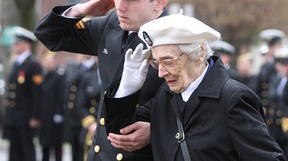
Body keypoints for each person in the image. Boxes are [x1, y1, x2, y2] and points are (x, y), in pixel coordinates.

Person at [34, 0, 183, 160]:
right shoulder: (112, 25)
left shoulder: (179, 39)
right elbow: (49, 35)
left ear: (160, 2)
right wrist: (82, 9)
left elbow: (198, 109)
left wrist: (157, 131)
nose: (120, 6)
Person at [105, 14, 286, 161]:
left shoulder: (233, 99)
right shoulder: (166, 96)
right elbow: (120, 135)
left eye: (168, 61)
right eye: (156, 62)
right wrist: (127, 89)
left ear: (199, 54)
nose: (161, 73)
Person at [2, 26, 44, 161]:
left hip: (25, 117)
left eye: (17, 43)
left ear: (26, 45)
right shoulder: (17, 63)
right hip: (13, 116)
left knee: (26, 149)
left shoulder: (33, 64)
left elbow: (37, 93)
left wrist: (35, 116)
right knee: (14, 150)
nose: (14, 46)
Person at [39, 51, 66, 161]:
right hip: (45, 116)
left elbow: (61, 96)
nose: (47, 64)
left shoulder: (59, 76)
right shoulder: (43, 76)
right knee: (44, 144)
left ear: (54, 62)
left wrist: (59, 113)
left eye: (49, 62)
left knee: (56, 145)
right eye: (46, 62)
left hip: (55, 115)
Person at [75, 56, 102, 160]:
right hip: (91, 125)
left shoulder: (117, 76)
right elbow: (80, 104)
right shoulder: (88, 77)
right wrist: (90, 124)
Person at [265, 45, 288, 158]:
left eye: (285, 64)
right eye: (281, 64)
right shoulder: (277, 79)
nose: (283, 67)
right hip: (274, 123)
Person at [256, 29, 285, 111]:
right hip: (269, 110)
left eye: (273, 45)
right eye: (269, 46)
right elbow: (260, 87)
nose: (271, 49)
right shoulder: (265, 66)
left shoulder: (285, 63)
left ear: (280, 45)